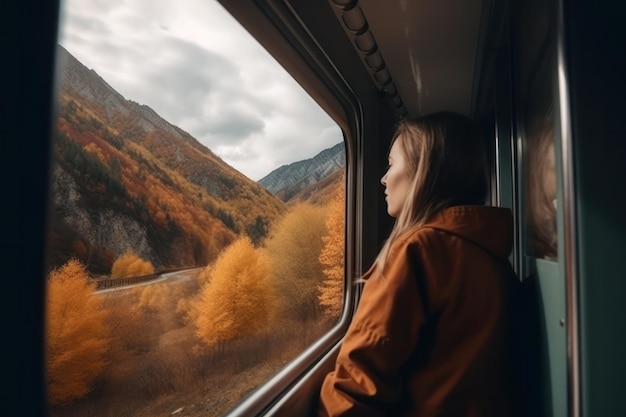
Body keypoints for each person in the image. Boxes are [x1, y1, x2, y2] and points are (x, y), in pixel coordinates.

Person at [317, 112, 518, 416]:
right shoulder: (495, 258)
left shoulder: (416, 252)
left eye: (391, 163)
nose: (383, 178)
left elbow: (356, 387)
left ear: (422, 170)